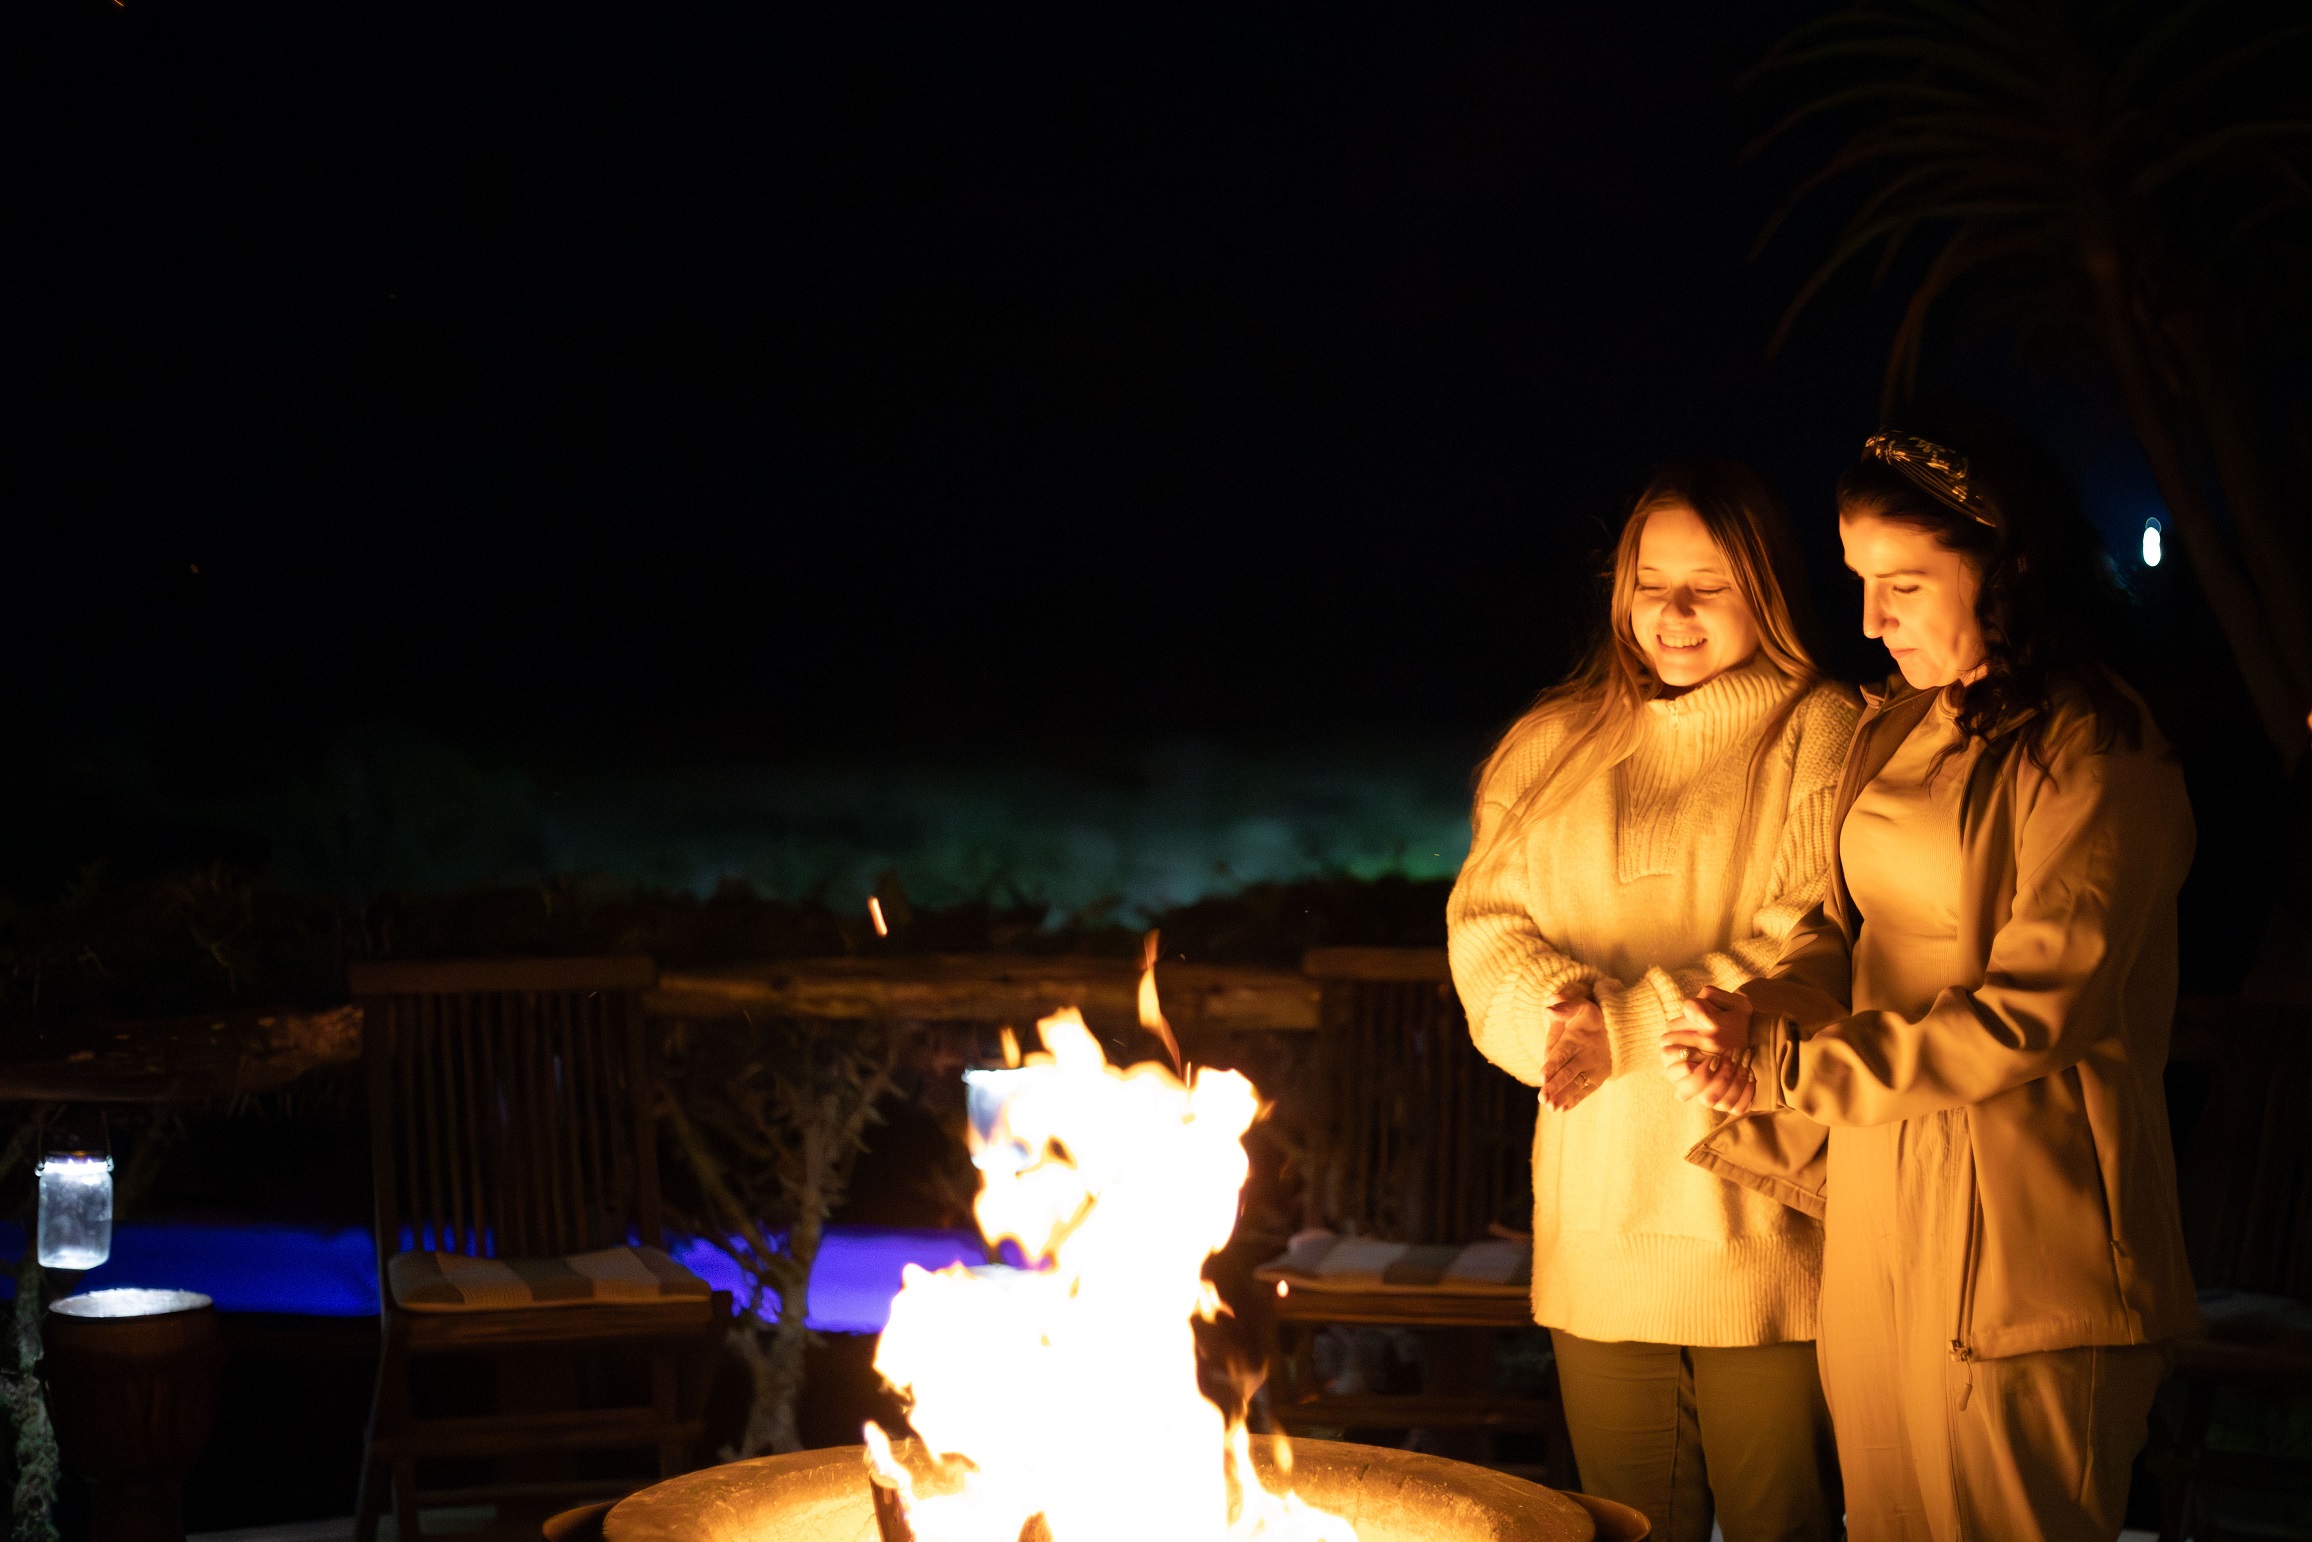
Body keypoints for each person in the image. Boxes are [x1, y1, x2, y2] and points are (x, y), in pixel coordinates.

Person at [1666, 427, 2199, 1542]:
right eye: (1859, 583)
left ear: (2005, 571)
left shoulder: (2098, 755)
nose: (1869, 620)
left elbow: (2032, 1011)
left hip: (2025, 1222)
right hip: (1878, 1197)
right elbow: (1842, 932)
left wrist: (1792, 1063)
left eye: (1902, 585)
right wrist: (1757, 1011)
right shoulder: (1901, 726)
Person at [1448, 461, 1856, 1542]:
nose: (1670, 613)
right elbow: (1485, 930)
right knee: (1621, 1524)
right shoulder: (1548, 746)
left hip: (1760, 1220)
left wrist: (1618, 1023)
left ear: (1763, 588)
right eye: (1648, 582)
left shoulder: (1820, 730)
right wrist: (1559, 1015)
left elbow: (1805, 929)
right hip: (1595, 1222)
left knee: (1785, 1519)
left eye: (1706, 584)